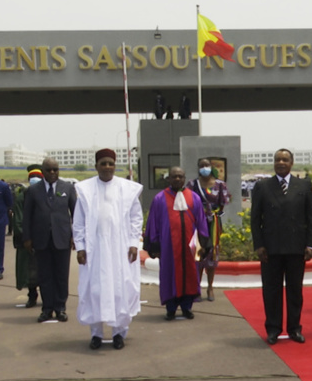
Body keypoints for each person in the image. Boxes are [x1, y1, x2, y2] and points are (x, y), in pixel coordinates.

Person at [73, 149, 143, 350]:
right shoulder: (86, 190)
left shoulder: (127, 189)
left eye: (110, 163)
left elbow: (136, 218)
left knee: (120, 290)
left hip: (120, 249)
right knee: (95, 290)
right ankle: (96, 334)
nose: (107, 167)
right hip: (95, 251)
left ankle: (119, 333)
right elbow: (78, 222)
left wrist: (133, 243)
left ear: (115, 165)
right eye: (103, 163)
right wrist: (80, 247)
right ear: (96, 166)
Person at [250, 149, 312, 345]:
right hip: (271, 249)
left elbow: (310, 218)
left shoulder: (303, 185)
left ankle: (294, 329)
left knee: (295, 291)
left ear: (291, 163)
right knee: (272, 291)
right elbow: (255, 219)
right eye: (277, 159)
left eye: (285, 159)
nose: (281, 162)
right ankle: (273, 329)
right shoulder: (262, 186)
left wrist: (310, 244)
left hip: (296, 248)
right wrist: (259, 245)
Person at [144, 166, 210, 320]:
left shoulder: (194, 197)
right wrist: (154, 245)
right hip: (168, 246)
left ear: (185, 178)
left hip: (190, 246)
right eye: (174, 176)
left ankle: (187, 308)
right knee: (169, 274)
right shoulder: (160, 199)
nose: (178, 179)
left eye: (181, 176)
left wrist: (204, 243)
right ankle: (171, 308)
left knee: (190, 274)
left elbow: (201, 221)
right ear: (169, 179)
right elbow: (153, 223)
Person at [23, 159, 77, 323]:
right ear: (43, 171)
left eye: (55, 169)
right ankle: (47, 309)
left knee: (61, 275)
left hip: (62, 238)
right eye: (49, 170)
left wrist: (76, 236)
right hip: (41, 239)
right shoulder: (33, 190)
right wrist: (27, 238)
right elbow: (27, 216)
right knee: (45, 276)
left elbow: (76, 214)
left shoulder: (67, 188)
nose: (52, 173)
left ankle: (60, 308)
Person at [186, 158, 232, 301]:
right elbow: (188, 202)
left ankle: (210, 287)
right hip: (197, 225)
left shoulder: (220, 185)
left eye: (206, 165)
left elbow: (224, 203)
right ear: (198, 168)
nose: (204, 168)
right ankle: (196, 288)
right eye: (201, 166)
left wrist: (216, 214)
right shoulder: (192, 184)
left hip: (213, 224)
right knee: (198, 255)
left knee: (212, 256)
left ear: (210, 167)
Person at [12, 166, 41, 308]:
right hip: (27, 240)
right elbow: (18, 219)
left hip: (42, 239)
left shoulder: (44, 194)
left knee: (43, 269)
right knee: (29, 271)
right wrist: (26, 237)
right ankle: (32, 296)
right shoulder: (22, 195)